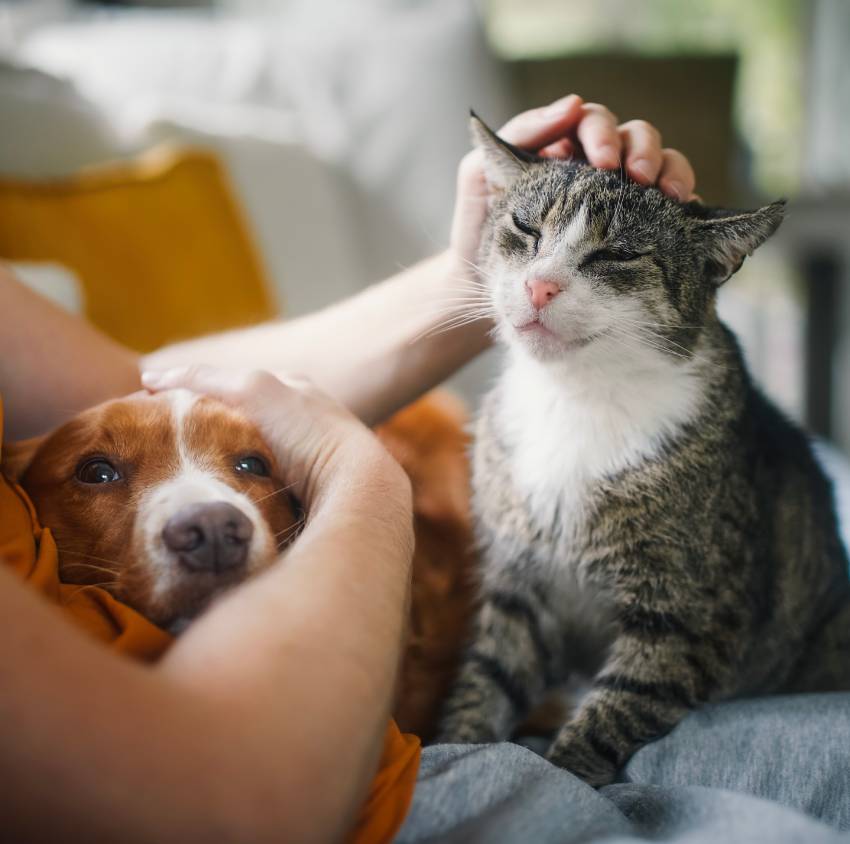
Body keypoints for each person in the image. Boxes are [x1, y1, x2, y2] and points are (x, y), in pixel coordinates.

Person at [0, 92, 754, 844]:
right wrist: (358, 475)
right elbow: (226, 804)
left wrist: (475, 271)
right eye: (100, 474)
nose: (210, 521)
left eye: (251, 465)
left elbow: (142, 385)